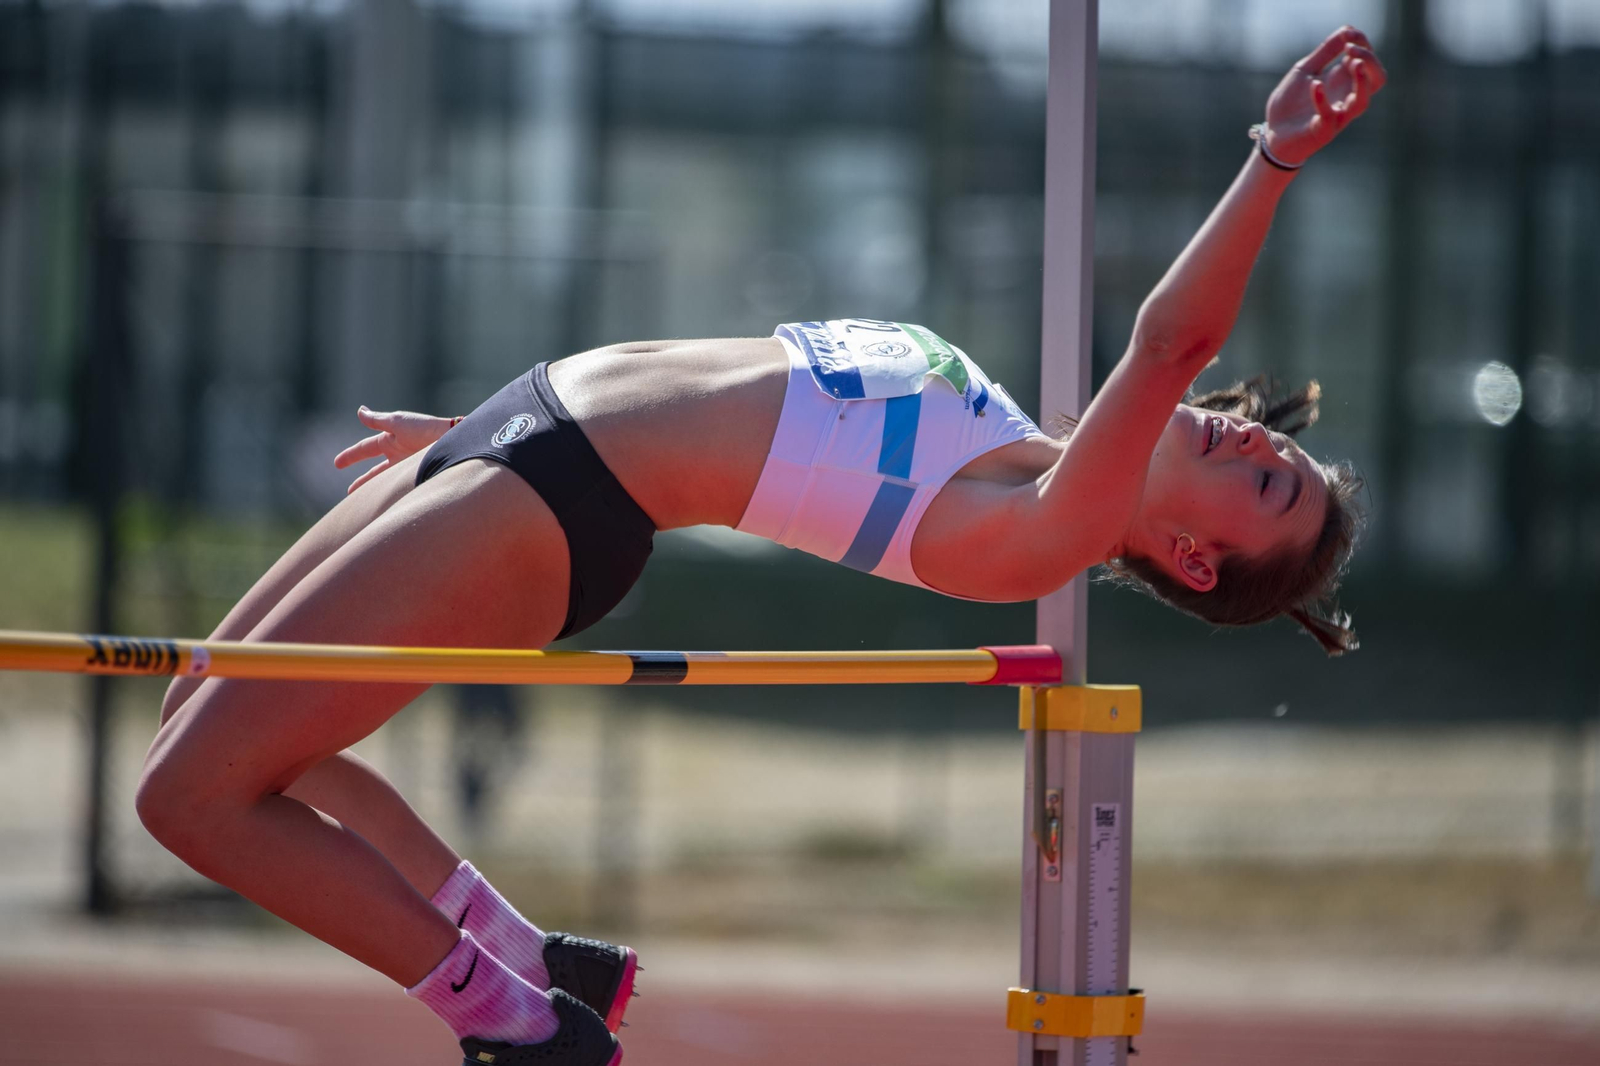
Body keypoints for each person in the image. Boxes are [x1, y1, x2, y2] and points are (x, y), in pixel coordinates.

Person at [138, 27, 1384, 1066]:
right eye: (1276, 450)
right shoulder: (1002, 428)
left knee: (188, 797)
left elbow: (1167, 342)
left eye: (1273, 489)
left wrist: (1270, 161)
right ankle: (522, 955)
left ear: (1194, 558)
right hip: (519, 427)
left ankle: (512, 1024)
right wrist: (473, 431)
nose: (1255, 445)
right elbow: (728, 384)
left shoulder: (1032, 536)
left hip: (554, 503)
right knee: (199, 713)